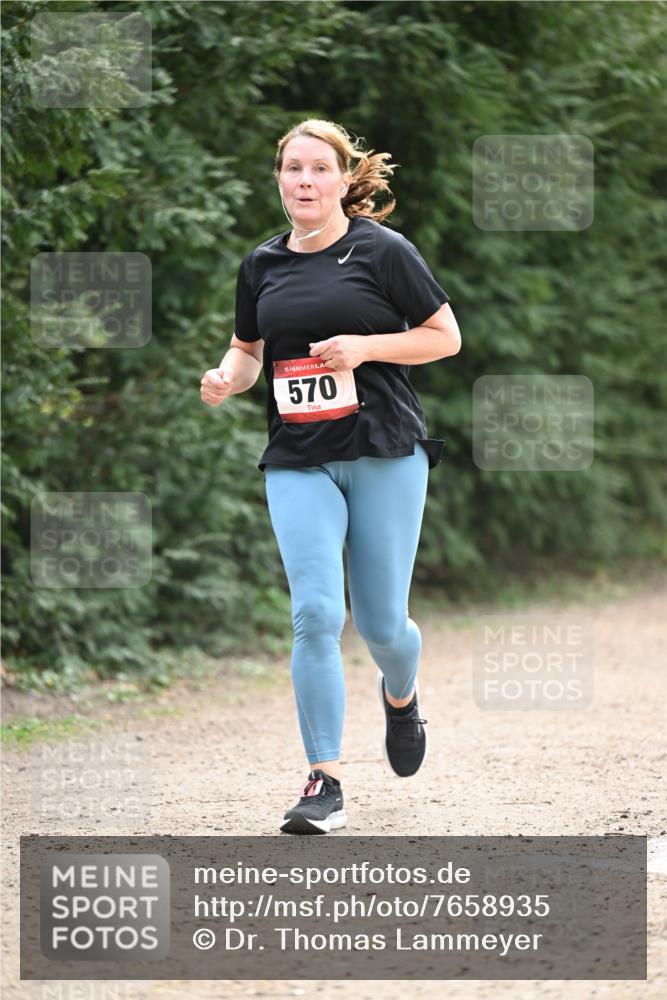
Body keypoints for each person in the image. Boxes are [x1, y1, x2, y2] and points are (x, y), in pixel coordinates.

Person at [200, 119, 461, 835]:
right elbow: (248, 349)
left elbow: (445, 336)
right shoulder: (260, 265)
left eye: (319, 169)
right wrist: (228, 377)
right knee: (315, 613)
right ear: (279, 179)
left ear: (345, 180)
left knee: (381, 623)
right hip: (298, 455)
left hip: (383, 449)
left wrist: (364, 346)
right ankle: (324, 780)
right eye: (293, 169)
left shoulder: (383, 251)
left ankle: (401, 695)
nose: (305, 181)